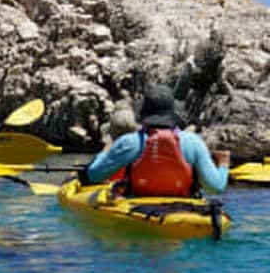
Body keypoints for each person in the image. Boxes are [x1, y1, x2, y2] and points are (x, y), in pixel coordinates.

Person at [84, 84, 230, 196]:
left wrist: (105, 151)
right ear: (172, 112)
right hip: (182, 208)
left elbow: (93, 175)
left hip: (137, 206)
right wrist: (223, 164)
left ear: (144, 112)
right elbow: (216, 188)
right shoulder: (194, 143)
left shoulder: (128, 142)